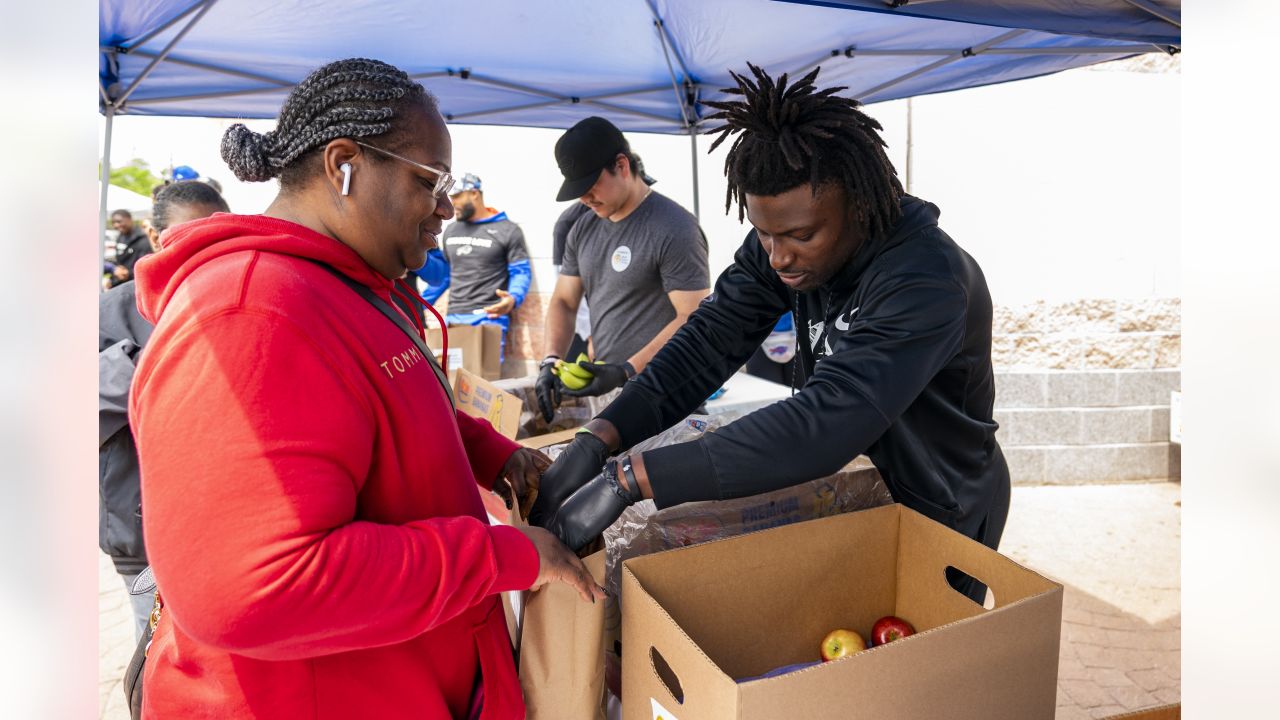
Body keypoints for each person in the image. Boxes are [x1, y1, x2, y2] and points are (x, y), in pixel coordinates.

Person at [129, 58, 602, 720]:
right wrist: (499, 556)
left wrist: (494, 454)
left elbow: (387, 410)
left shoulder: (346, 284)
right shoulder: (251, 312)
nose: (444, 207)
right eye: (426, 181)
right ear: (343, 163)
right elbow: (256, 588)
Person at [537, 64, 1011, 605]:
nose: (779, 256)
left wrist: (628, 479)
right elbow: (708, 340)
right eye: (763, 234)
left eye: (801, 236)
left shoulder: (926, 278)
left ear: (858, 206)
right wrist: (602, 434)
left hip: (942, 505)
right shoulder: (780, 242)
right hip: (858, 494)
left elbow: (827, 419)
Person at [99, 180, 231, 641]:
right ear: (155, 238)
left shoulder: (232, 294)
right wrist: (166, 358)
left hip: (221, 522)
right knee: (155, 649)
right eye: (190, 233)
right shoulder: (109, 313)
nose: (206, 246)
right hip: (143, 530)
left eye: (220, 233)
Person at [533, 116, 710, 432]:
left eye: (591, 185)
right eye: (578, 190)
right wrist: (549, 360)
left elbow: (693, 316)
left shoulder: (673, 227)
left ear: (622, 165)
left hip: (667, 394)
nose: (585, 198)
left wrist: (627, 370)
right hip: (609, 396)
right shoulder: (582, 228)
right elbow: (564, 300)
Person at [414, 173, 531, 361]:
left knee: (484, 385)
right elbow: (446, 276)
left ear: (475, 194)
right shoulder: (451, 230)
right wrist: (419, 304)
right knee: (453, 384)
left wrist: (513, 298)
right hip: (454, 319)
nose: (452, 204)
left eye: (458, 197)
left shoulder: (507, 229)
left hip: (488, 318)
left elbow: (520, 271)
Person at [107, 209, 152, 287]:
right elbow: (119, 260)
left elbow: (146, 266)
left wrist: (128, 273)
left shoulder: (143, 239)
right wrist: (114, 275)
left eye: (119, 221)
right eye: (113, 223)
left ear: (129, 219)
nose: (116, 225)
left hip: (134, 284)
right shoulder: (120, 237)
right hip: (119, 283)